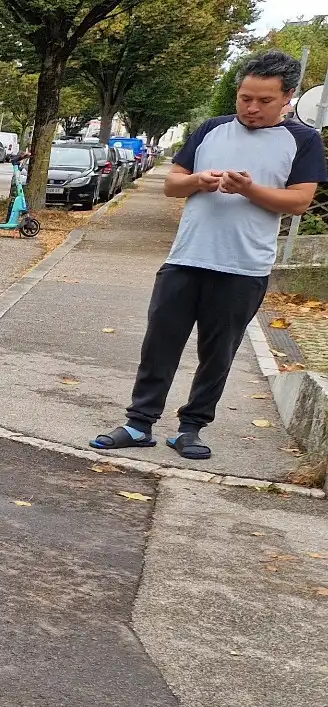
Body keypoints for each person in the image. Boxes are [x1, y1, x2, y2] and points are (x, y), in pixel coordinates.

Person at [91, 50, 324, 460]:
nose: (251, 108)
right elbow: (172, 184)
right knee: (159, 345)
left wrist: (250, 190)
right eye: (244, 97)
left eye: (264, 100)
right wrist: (197, 180)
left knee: (217, 355)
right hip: (186, 258)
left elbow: (300, 201)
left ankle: (190, 429)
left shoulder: (303, 140)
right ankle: (138, 424)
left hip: (243, 267)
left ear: (288, 96)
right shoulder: (211, 130)